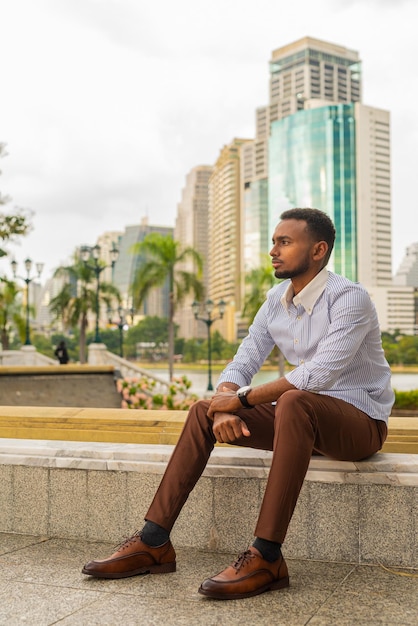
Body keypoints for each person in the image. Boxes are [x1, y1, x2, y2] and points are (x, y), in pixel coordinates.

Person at [82, 208, 394, 600]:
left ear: (317, 250)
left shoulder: (350, 298)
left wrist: (241, 398)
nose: (272, 251)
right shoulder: (275, 301)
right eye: (274, 241)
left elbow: (317, 375)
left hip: (359, 425)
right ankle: (154, 542)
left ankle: (266, 556)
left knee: (295, 400)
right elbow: (245, 359)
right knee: (202, 411)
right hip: (301, 424)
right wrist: (224, 404)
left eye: (284, 242)